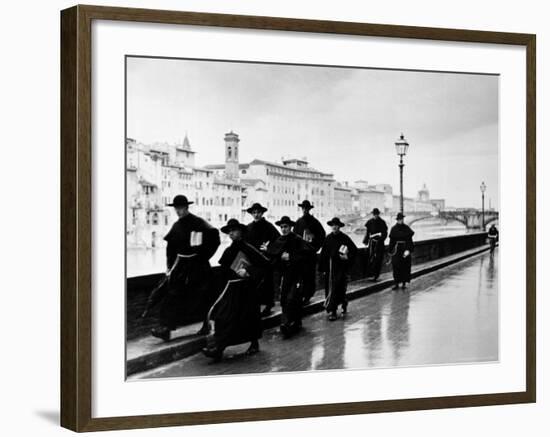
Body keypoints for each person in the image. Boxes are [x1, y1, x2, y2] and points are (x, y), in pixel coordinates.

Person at [151, 195, 220, 342]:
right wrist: (169, 267)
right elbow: (170, 249)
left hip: (198, 266)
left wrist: (203, 256)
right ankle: (165, 328)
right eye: (176, 209)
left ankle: (205, 324)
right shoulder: (176, 226)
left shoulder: (199, 223)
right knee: (172, 293)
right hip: (181, 266)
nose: (179, 211)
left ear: (187, 208)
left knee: (202, 295)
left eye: (181, 208)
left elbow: (215, 238)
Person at [202, 219, 269, 363]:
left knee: (248, 318)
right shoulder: (228, 251)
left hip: (247, 289)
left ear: (241, 232)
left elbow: (265, 265)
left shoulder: (249, 249)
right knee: (225, 317)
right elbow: (223, 271)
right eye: (229, 231)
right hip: (231, 290)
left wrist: (248, 271)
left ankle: (254, 343)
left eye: (234, 230)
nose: (231, 233)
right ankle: (218, 348)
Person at [267, 216, 315, 338]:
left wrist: (291, 257)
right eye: (282, 227)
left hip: (296, 275)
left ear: (290, 227)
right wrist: (278, 257)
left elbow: (308, 254)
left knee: (292, 298)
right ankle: (289, 322)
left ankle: (290, 322)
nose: (284, 229)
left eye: (286, 227)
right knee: (284, 299)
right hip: (285, 275)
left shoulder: (297, 240)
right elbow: (273, 257)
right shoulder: (279, 241)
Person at [244, 202, 280, 317]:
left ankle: (268, 306)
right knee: (255, 285)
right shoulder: (248, 228)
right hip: (253, 262)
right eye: (254, 213)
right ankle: (256, 307)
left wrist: (269, 248)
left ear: (262, 213)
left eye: (258, 212)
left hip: (265, 260)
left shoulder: (269, 227)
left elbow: (278, 241)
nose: (256, 215)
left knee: (267, 284)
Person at [319, 218, 358, 321]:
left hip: (341, 267)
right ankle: (333, 308)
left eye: (336, 225)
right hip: (330, 268)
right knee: (330, 288)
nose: (334, 227)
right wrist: (322, 268)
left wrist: (346, 257)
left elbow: (354, 250)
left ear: (339, 227)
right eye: (332, 225)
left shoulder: (345, 238)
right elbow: (323, 254)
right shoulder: (328, 238)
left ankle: (336, 308)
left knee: (338, 287)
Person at [293, 200, 326, 305]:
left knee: (310, 275)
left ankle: (308, 295)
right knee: (301, 275)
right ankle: (301, 294)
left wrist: (315, 247)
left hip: (310, 254)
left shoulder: (315, 222)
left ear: (309, 209)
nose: (305, 210)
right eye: (303, 208)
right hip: (301, 254)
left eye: (306, 208)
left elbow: (322, 235)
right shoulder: (298, 222)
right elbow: (294, 237)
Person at [388, 212, 414, 290]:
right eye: (399, 220)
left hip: (405, 248)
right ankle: (396, 283)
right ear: (397, 220)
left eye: (401, 219)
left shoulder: (407, 228)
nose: (400, 221)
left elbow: (410, 240)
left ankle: (403, 283)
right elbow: (392, 241)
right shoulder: (393, 229)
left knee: (405, 266)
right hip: (396, 249)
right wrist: (390, 250)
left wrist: (409, 250)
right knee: (396, 266)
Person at [362, 208, 388, 281]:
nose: (375, 215)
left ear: (378, 214)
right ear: (372, 214)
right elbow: (368, 233)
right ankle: (371, 274)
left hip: (379, 243)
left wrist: (380, 240)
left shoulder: (382, 222)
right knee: (370, 258)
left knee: (378, 259)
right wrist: (365, 241)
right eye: (374, 214)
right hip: (372, 243)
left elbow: (385, 234)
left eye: (376, 214)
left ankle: (376, 275)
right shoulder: (369, 222)